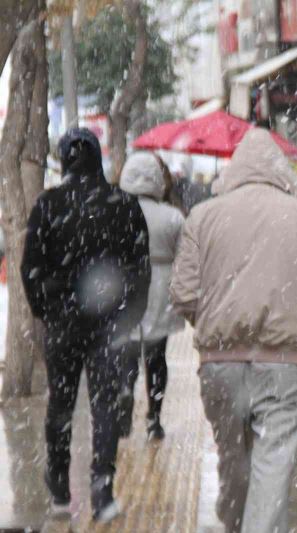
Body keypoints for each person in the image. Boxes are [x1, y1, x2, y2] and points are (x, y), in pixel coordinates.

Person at [170, 128, 297, 533]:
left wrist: (214, 326)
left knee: (236, 463)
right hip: (286, 365)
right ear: (280, 169)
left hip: (219, 366)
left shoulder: (203, 216)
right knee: (273, 469)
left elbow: (183, 293)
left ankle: (235, 523)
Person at [21, 128, 151, 522]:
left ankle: (60, 487)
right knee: (105, 406)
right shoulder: (123, 204)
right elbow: (140, 269)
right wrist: (129, 315)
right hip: (109, 325)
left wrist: (46, 310)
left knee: (60, 405)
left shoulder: (48, 204)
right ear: (98, 157)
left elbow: (30, 268)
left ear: (63, 160)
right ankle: (102, 489)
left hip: (63, 325)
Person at [117, 152, 186, 440]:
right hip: (161, 285)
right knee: (157, 357)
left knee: (128, 354)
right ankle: (154, 416)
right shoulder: (172, 216)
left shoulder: (117, 212)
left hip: (127, 286)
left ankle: (124, 394)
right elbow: (185, 258)